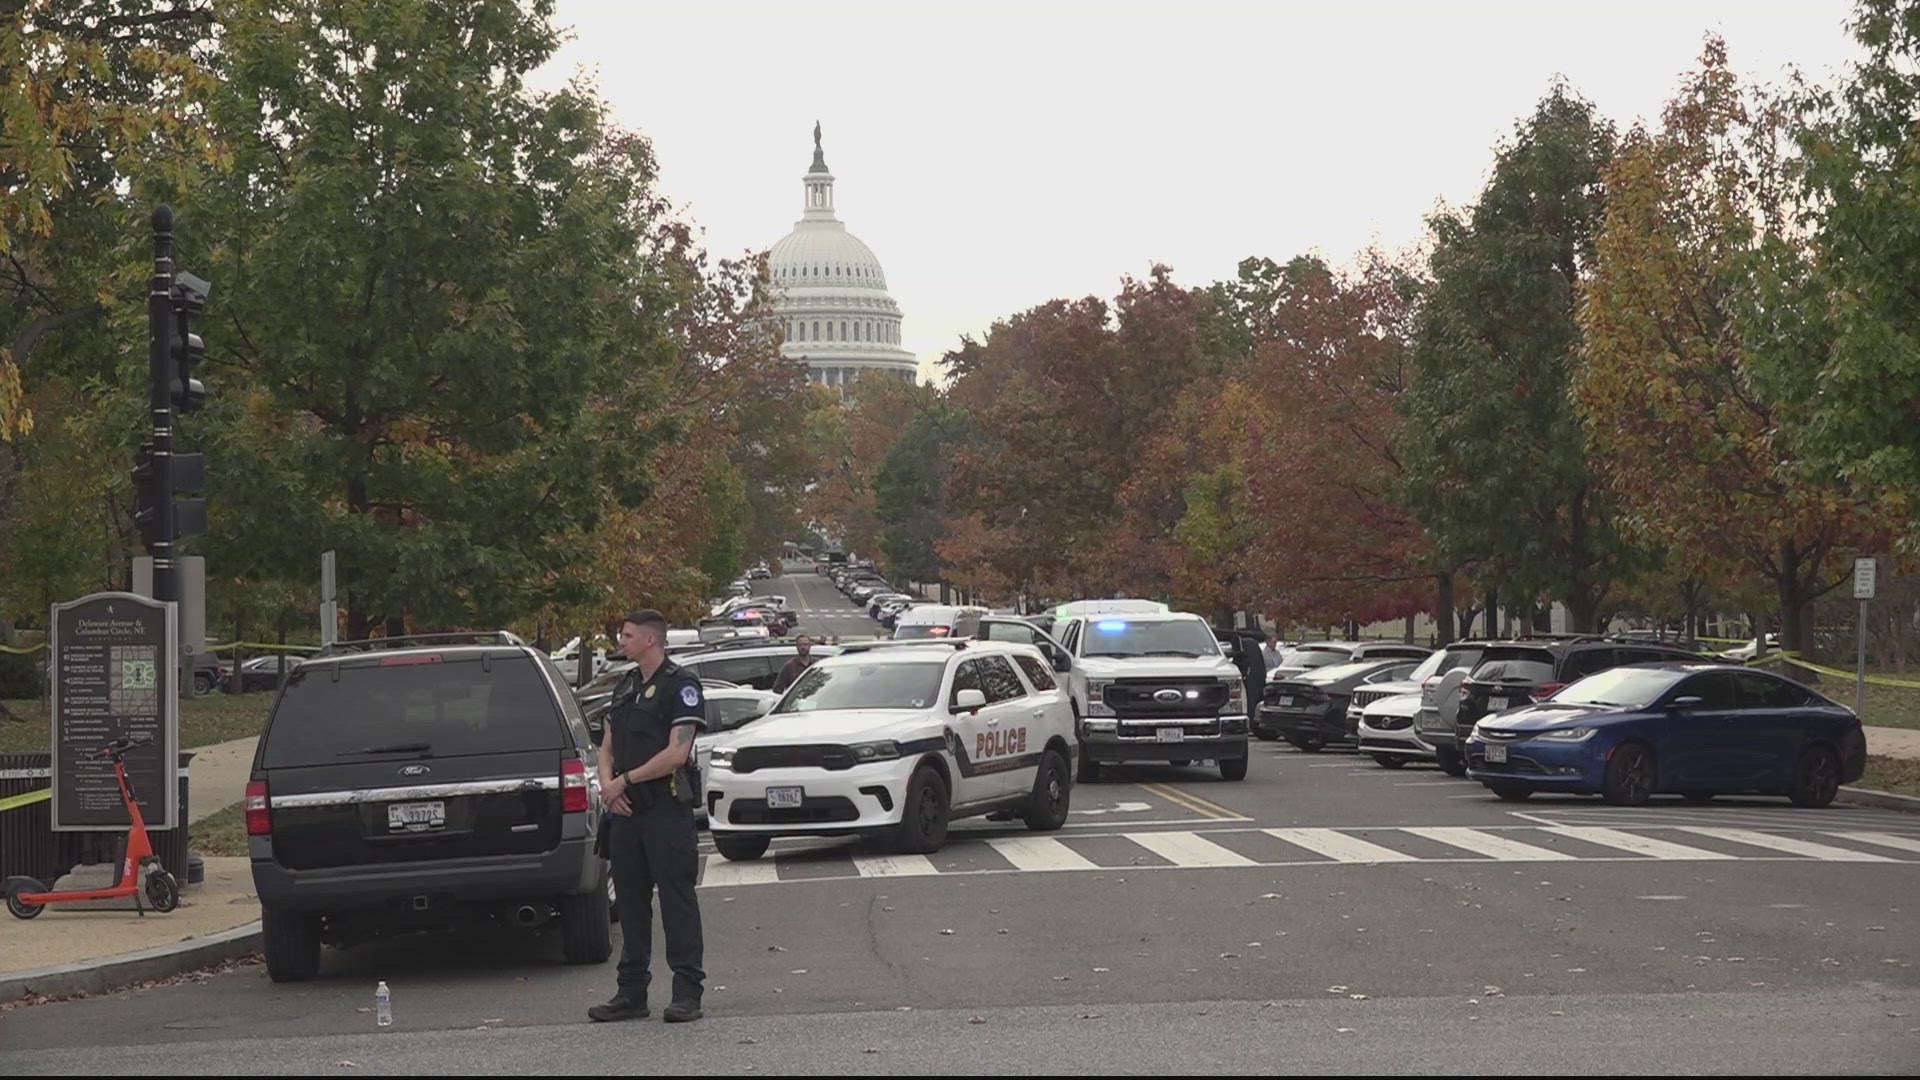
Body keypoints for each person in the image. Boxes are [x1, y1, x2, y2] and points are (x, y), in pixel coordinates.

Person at [589, 609, 706, 1024]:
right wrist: (608, 785)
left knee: (677, 901)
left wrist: (626, 781)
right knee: (631, 905)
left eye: (627, 634)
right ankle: (631, 992)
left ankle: (687, 992)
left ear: (651, 640)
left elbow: (678, 753)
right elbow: (608, 745)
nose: (620, 641)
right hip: (625, 814)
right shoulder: (626, 686)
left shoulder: (681, 686)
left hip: (664, 811)